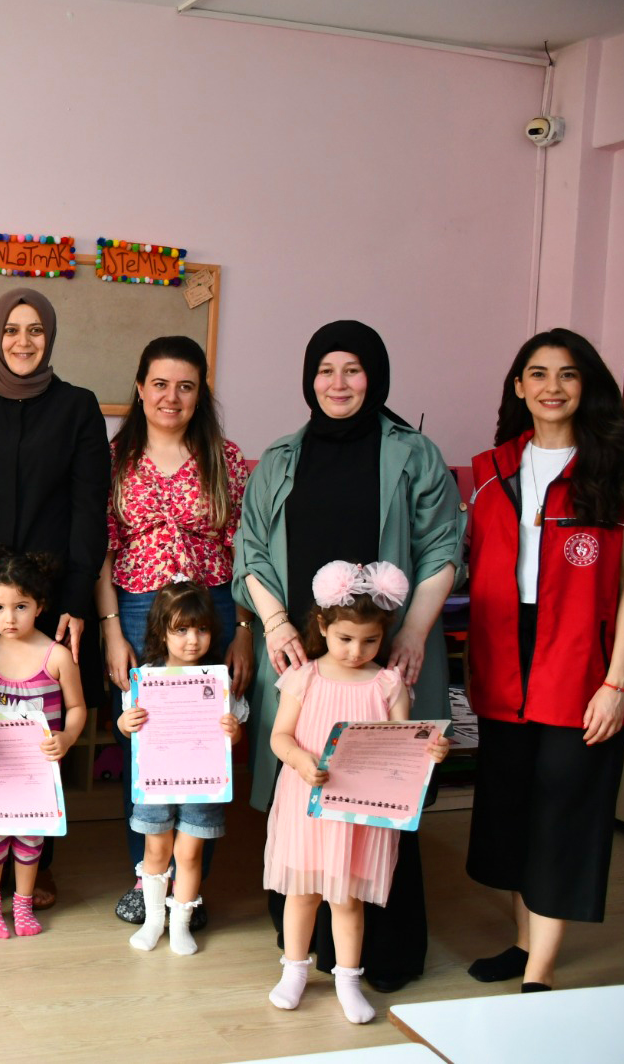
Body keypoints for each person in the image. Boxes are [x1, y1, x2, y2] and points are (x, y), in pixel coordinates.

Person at [233, 319, 461, 992]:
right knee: (304, 781)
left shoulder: (414, 453)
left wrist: (412, 633)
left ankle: (378, 953)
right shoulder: (280, 457)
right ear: (309, 379)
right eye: (325, 370)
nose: (338, 383)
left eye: (353, 370)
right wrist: (275, 623)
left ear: (376, 377)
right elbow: (250, 550)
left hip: (385, 657)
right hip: (300, 659)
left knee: (378, 789)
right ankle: (303, 951)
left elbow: (443, 547)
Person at [464, 329, 624, 993]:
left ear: (586, 385)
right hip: (505, 656)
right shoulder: (491, 470)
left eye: (568, 374)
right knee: (514, 806)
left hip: (580, 659)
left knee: (562, 808)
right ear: (519, 386)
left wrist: (616, 683)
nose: (552, 387)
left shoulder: (618, 470)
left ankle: (538, 974)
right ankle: (524, 946)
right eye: (538, 374)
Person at [0, 286, 108, 910]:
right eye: (12, 329)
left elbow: (89, 512)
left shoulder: (79, 408)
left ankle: (40, 862)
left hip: (52, 601)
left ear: (50, 337)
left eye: (35, 329)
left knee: (43, 730)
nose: (23, 341)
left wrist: (77, 602)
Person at [95, 334, 252, 927]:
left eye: (186, 386)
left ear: (200, 394)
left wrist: (243, 629)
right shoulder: (113, 458)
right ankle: (147, 877)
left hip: (212, 610)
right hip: (138, 610)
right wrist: (112, 629)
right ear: (140, 388)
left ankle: (191, 888)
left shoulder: (225, 458)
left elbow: (244, 549)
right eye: (160, 384)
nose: (171, 397)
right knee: (144, 742)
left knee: (204, 744)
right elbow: (103, 551)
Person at [264, 561, 450, 1024]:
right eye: (345, 639)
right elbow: (279, 737)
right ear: (323, 626)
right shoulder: (305, 677)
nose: (356, 651)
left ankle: (347, 980)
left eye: (370, 641)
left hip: (357, 810)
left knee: (347, 900)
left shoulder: (387, 683)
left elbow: (402, 744)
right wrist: (301, 760)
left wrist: (431, 749)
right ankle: (294, 971)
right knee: (302, 893)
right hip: (307, 803)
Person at [0, 547, 86, 939]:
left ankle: (23, 906)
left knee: (30, 841)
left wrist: (68, 736)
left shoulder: (57, 656)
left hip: (36, 775)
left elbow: (77, 707)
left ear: (40, 605)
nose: (8, 618)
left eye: (20, 607)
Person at [117, 580, 241, 955]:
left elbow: (233, 734)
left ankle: (181, 924)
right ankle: (154, 921)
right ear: (162, 632)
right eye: (181, 630)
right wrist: (126, 723)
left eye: (201, 629)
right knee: (156, 851)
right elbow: (127, 727)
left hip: (202, 782)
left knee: (189, 854)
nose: (192, 640)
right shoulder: (146, 679)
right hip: (156, 781)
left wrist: (233, 731)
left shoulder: (218, 680)